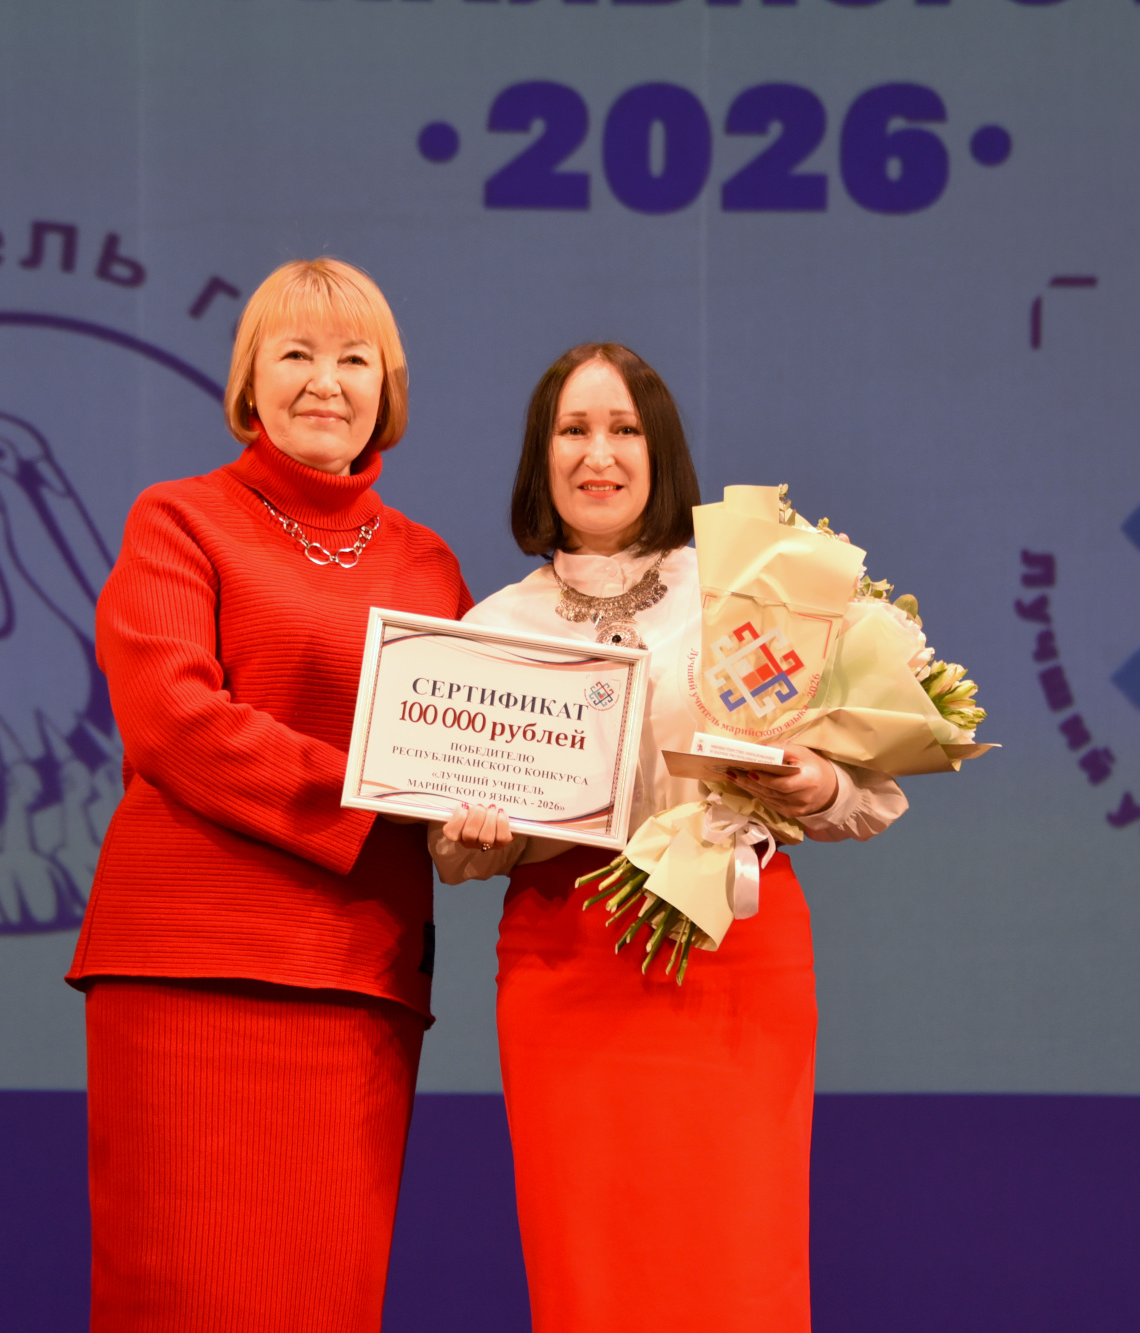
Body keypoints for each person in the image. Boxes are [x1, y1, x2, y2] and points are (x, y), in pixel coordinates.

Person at [431, 344, 908, 1332]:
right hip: (565, 969)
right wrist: (474, 839)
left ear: (661, 451)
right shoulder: (492, 627)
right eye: (572, 429)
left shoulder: (749, 593)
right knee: (589, 1270)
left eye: (623, 429)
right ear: (540, 454)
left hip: (734, 958)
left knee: (736, 1265)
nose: (597, 453)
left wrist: (813, 780)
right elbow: (454, 851)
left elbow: (866, 792)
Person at [67, 258, 472, 1332]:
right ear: (249, 381)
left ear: (387, 388)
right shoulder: (178, 519)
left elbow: (468, 750)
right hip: (190, 966)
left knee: (324, 1293)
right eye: (294, 353)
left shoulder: (430, 566)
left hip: (358, 975)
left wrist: (481, 819)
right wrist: (371, 791)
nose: (324, 382)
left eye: (354, 359)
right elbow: (172, 719)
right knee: (182, 1289)